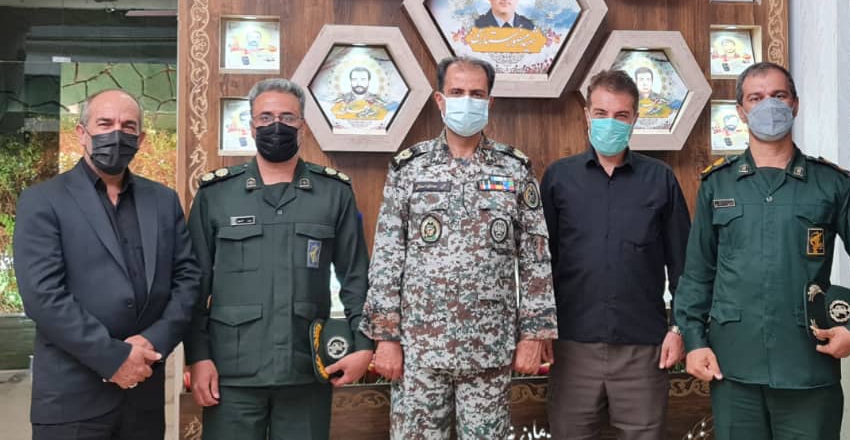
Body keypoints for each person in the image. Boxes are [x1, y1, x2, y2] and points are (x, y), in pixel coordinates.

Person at [361, 56, 557, 439]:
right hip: (419, 349)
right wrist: (386, 338)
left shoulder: (514, 169)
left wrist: (534, 334)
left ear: (490, 102)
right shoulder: (409, 168)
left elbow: (536, 257)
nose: (467, 100)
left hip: (489, 348)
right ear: (440, 99)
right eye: (457, 92)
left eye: (476, 94)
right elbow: (387, 256)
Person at [675, 62, 850, 440]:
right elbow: (698, 272)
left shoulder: (831, 184)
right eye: (756, 98)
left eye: (779, 96)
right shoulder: (717, 185)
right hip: (733, 366)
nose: (769, 105)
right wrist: (695, 342)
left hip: (808, 363)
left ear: (795, 104)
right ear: (741, 111)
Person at [184, 78, 374, 440]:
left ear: (303, 125)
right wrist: (198, 355)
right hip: (231, 372)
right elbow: (193, 284)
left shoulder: (333, 193)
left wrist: (364, 345)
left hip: (306, 368)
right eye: (266, 117)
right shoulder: (216, 194)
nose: (276, 125)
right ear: (251, 124)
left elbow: (355, 277)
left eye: (287, 117)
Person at [14, 89, 200, 440]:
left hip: (143, 396)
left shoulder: (163, 201)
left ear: (141, 139)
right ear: (82, 133)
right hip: (71, 400)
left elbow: (187, 279)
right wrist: (114, 357)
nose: (117, 133)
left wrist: (152, 342)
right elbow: (43, 296)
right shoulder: (43, 201)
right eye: (105, 123)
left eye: (128, 126)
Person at [541, 70, 690, 438]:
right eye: (601, 113)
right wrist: (539, 329)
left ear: (635, 118)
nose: (610, 122)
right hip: (572, 346)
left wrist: (679, 327)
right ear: (587, 115)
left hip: (644, 349)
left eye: (621, 115)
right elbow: (539, 265)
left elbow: (684, 266)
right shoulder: (558, 179)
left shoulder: (661, 179)